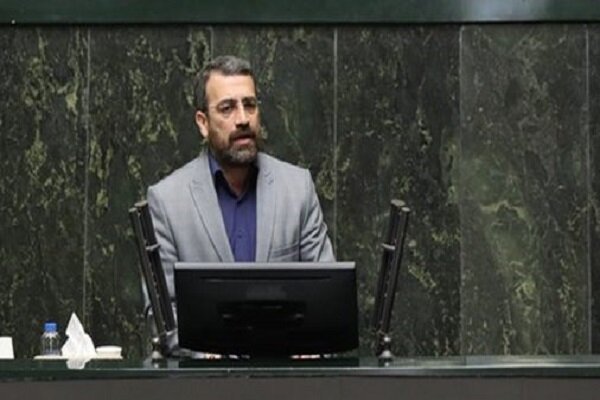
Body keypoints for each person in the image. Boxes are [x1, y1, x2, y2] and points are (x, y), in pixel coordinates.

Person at [147, 55, 335, 315]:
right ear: (203, 123)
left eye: (250, 105)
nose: (243, 119)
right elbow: (163, 316)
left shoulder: (297, 189)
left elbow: (326, 296)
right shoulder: (167, 202)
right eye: (227, 108)